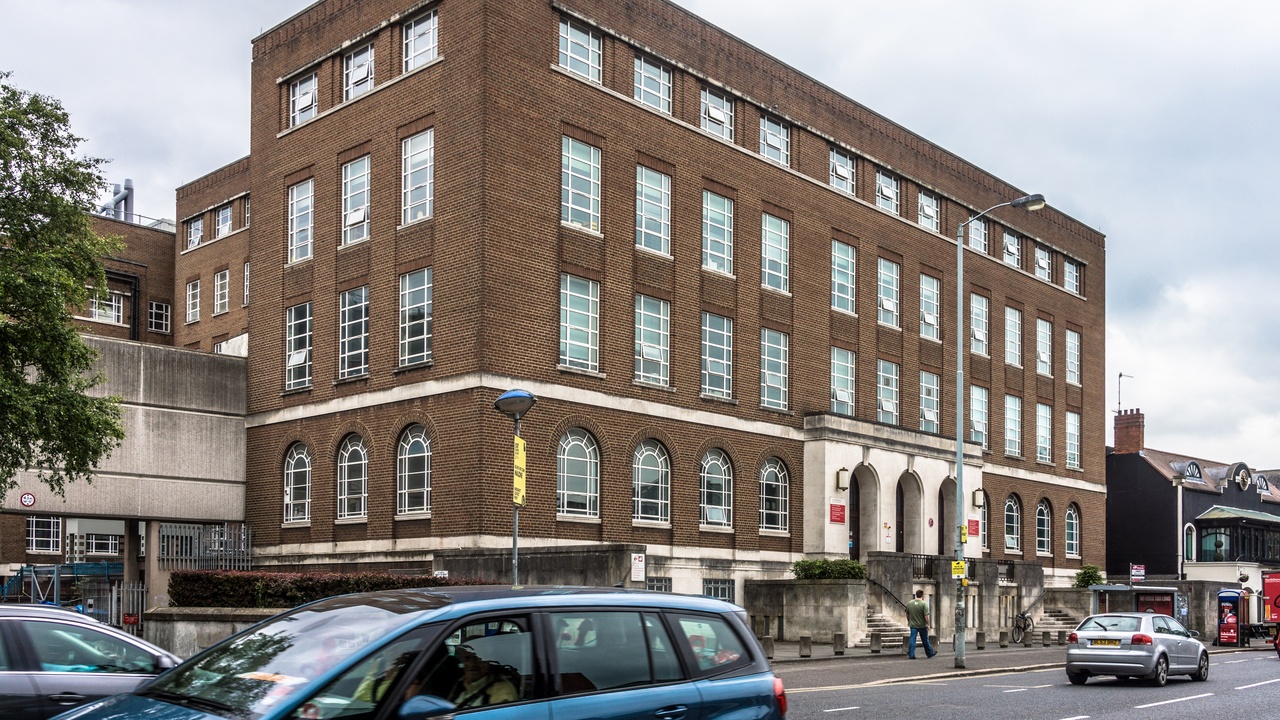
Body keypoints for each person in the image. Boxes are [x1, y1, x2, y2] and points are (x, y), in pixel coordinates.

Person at [447, 645, 518, 709]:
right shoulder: (459, 683)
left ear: (488, 662)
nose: (472, 664)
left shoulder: (501, 689)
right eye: (467, 658)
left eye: (478, 658)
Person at [905, 590, 936, 659]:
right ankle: (929, 653)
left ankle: (911, 654)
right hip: (922, 625)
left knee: (912, 639)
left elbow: (907, 614)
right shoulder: (924, 604)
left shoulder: (910, 603)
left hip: (913, 625)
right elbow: (926, 616)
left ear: (916, 595)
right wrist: (928, 624)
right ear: (922, 595)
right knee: (925, 639)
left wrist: (909, 621)